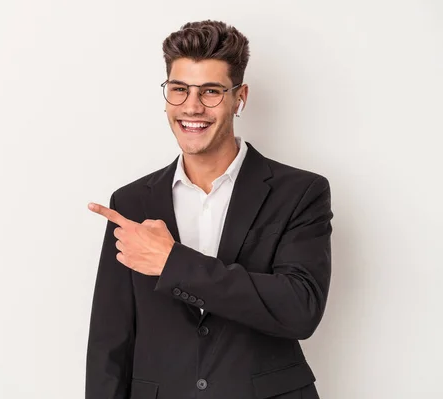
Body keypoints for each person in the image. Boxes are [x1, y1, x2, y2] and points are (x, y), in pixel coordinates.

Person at [85, 19, 333, 399]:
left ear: (240, 97)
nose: (192, 107)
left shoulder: (300, 192)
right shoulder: (131, 202)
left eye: (211, 91)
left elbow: (300, 309)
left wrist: (173, 262)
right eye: (179, 90)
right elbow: (110, 341)